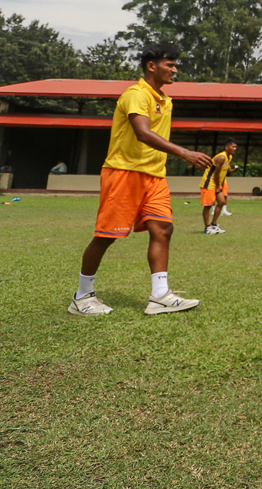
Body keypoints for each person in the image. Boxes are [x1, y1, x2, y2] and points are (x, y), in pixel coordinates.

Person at [68, 43, 212, 317]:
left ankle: (159, 296)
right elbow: (142, 133)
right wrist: (184, 153)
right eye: (170, 64)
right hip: (124, 173)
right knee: (106, 236)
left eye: (175, 65)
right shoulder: (136, 94)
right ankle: (82, 296)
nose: (174, 70)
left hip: (154, 177)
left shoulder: (164, 99)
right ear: (151, 66)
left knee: (163, 229)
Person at [200, 138, 238, 234]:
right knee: (208, 206)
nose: (235, 148)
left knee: (221, 202)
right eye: (233, 146)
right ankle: (207, 228)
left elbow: (226, 171)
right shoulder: (221, 157)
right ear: (226, 147)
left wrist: (220, 185)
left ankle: (213, 225)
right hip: (209, 183)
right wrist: (218, 187)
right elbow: (216, 174)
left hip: (217, 184)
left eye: (236, 147)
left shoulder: (229, 157)